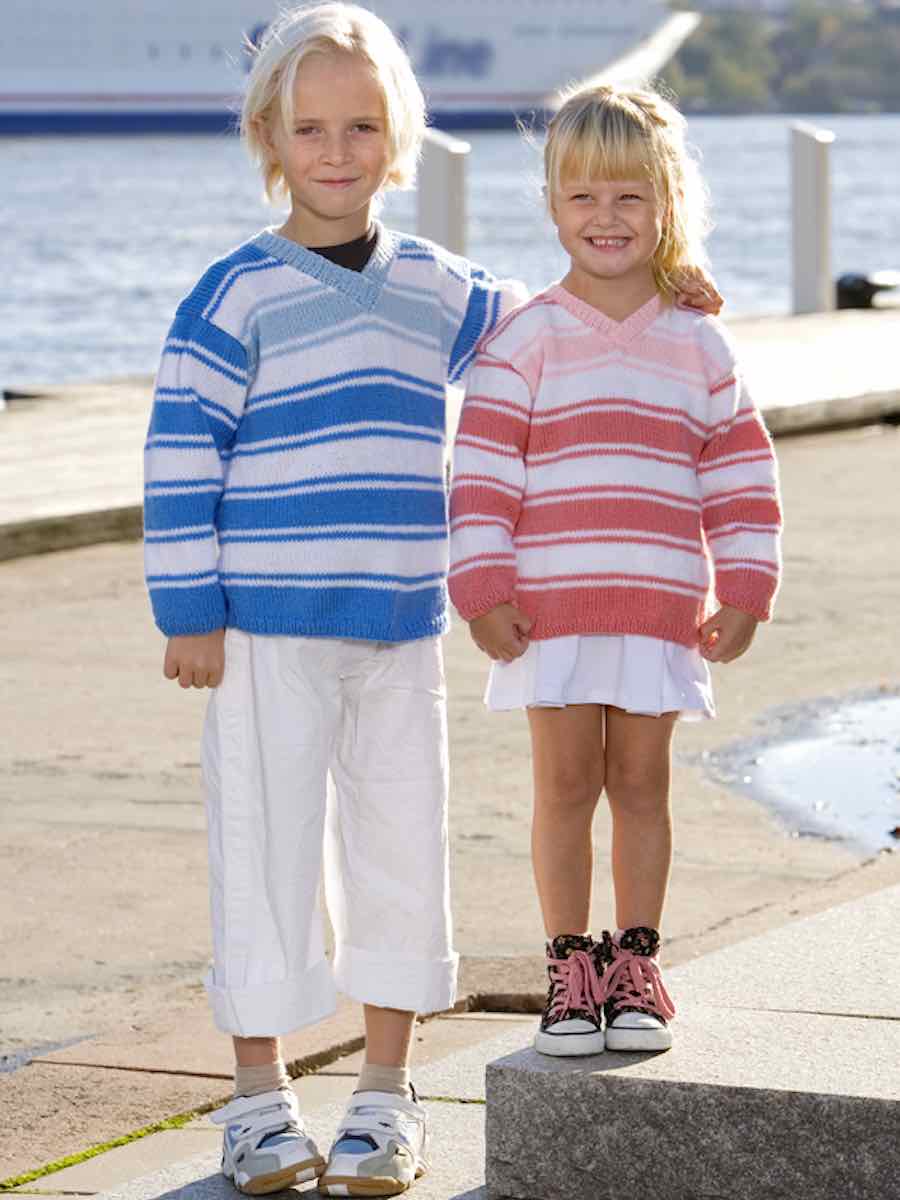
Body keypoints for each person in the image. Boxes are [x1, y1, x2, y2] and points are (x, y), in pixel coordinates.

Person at [142, 4, 531, 1194]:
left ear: (398, 137)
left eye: (362, 126)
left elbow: (547, 337)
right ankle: (259, 1097)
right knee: (263, 849)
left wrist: (661, 287)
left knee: (400, 845)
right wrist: (188, 606)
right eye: (309, 128)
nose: (336, 151)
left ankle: (385, 1091)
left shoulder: (436, 286)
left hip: (400, 625)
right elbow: (181, 451)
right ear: (268, 137)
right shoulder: (235, 294)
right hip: (262, 628)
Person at [448, 82, 782, 1059]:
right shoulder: (525, 338)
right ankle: (569, 972)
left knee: (641, 784)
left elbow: (740, 473)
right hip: (548, 611)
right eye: (583, 195)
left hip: (657, 607)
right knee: (564, 784)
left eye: (630, 195)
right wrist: (482, 590)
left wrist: (747, 589)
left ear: (667, 204)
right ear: (552, 205)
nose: (606, 216)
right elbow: (482, 472)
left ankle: (636, 967)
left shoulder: (698, 342)